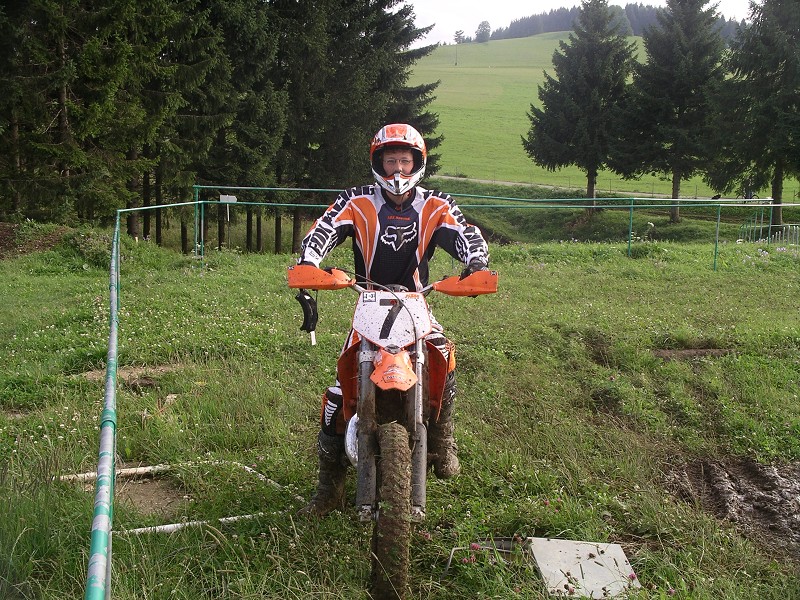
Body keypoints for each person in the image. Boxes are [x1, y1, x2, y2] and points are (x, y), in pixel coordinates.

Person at [297, 123, 490, 516]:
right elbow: (323, 230)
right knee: (339, 391)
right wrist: (309, 263)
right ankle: (328, 488)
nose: (398, 169)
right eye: (390, 161)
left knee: (444, 355)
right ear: (378, 162)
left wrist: (477, 263)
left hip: (417, 301)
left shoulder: (436, 204)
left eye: (405, 160)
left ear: (417, 163)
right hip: (368, 299)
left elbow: (466, 233)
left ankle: (442, 438)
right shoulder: (355, 201)